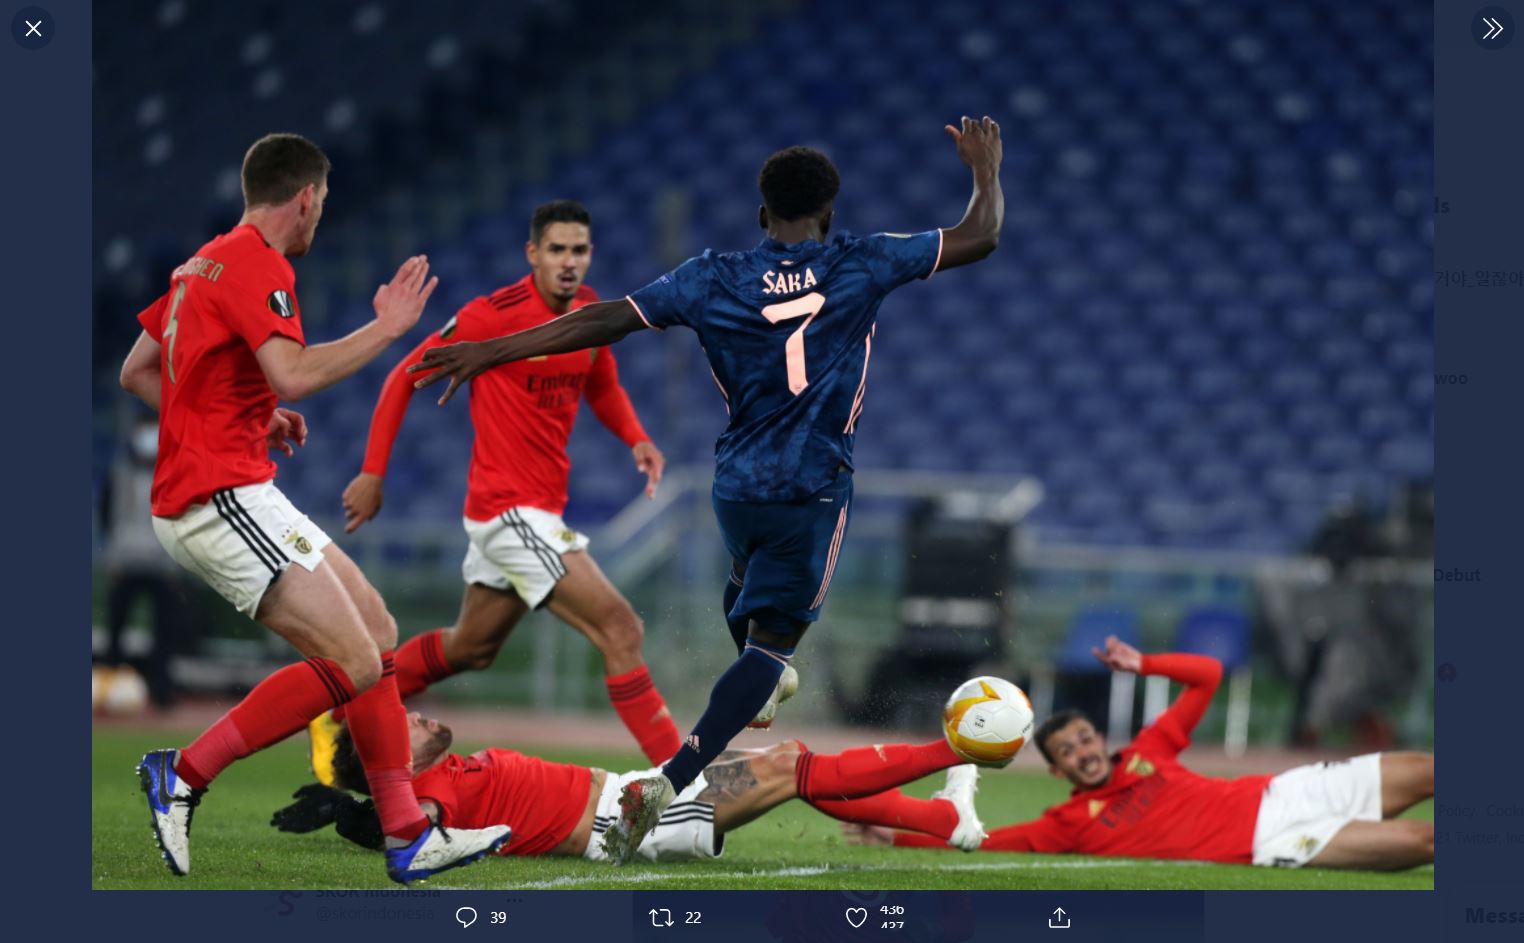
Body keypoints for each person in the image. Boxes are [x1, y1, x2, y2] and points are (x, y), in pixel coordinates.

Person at [410, 117, 1005, 861]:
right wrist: (985, 169)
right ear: (830, 212)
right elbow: (979, 234)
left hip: (736, 485)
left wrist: (493, 349)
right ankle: (671, 776)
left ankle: (758, 678)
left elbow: (603, 319)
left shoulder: (713, 274)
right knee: (772, 647)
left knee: (749, 609)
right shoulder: (863, 260)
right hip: (811, 485)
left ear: (762, 215)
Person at [118, 132, 510, 884]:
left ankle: (406, 834)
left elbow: (141, 370)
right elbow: (293, 374)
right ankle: (186, 773)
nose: (320, 217)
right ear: (304, 198)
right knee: (353, 660)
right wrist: (386, 331)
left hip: (241, 483)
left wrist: (243, 413)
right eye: (321, 204)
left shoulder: (202, 259)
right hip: (214, 499)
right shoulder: (259, 265)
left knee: (380, 632)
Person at [319, 200, 679, 780]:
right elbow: (403, 376)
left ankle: (336, 709)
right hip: (511, 512)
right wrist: (373, 472)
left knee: (470, 650)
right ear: (532, 254)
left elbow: (602, 383)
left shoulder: (589, 312)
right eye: (557, 249)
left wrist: (636, 437)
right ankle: (688, 782)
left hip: (525, 514)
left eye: (579, 250)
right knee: (621, 629)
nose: (569, 262)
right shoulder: (491, 316)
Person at [843, 637, 1435, 871]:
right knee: (1423, 843)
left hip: (1285, 792)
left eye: (1084, 739)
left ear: (1100, 739)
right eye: (1067, 752)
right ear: (1056, 771)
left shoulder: (1150, 749)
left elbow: (1206, 676)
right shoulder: (1069, 825)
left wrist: (1145, 665)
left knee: (1430, 771)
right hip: (1273, 843)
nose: (1082, 752)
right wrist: (889, 829)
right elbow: (983, 839)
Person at [272, 710, 984, 865]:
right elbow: (418, 831)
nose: (420, 713)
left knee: (787, 758)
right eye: (405, 719)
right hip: (629, 823)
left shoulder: (434, 774)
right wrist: (352, 815)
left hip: (635, 795)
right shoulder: (431, 791)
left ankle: (944, 820)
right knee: (789, 766)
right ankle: (948, 752)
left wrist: (355, 805)